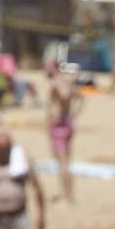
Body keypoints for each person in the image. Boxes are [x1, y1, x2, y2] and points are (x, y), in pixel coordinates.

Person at [44, 58, 82, 203]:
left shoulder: (57, 82)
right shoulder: (65, 81)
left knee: (63, 163)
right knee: (65, 162)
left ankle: (68, 196)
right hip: (67, 123)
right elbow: (80, 97)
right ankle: (66, 194)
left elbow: (66, 95)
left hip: (59, 126)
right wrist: (74, 114)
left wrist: (59, 114)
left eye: (47, 66)